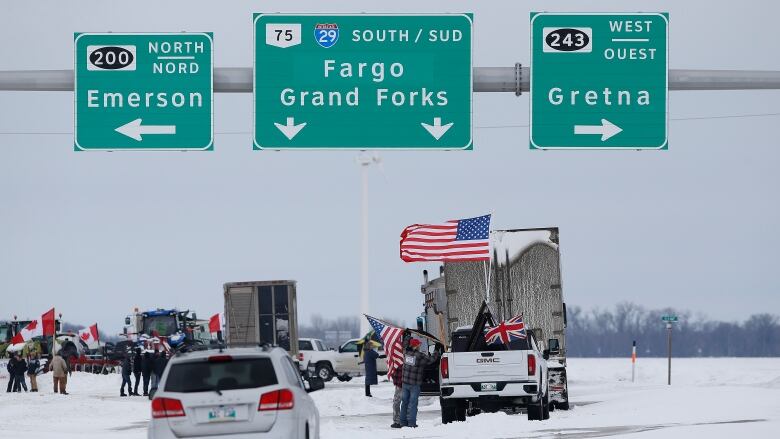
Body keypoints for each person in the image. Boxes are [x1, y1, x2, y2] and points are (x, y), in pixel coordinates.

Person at [399, 338, 438, 428]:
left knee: (404, 402)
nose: (420, 346)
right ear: (416, 346)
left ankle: (403, 422)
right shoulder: (420, 356)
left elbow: (404, 346)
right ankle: (412, 423)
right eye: (419, 344)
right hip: (414, 384)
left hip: (405, 383)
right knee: (413, 403)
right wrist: (436, 350)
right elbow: (431, 360)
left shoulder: (406, 353)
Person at [390, 362, 404, 428]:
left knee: (396, 403)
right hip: (406, 384)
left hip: (400, 385)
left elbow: (394, 374)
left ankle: (397, 421)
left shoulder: (398, 363)